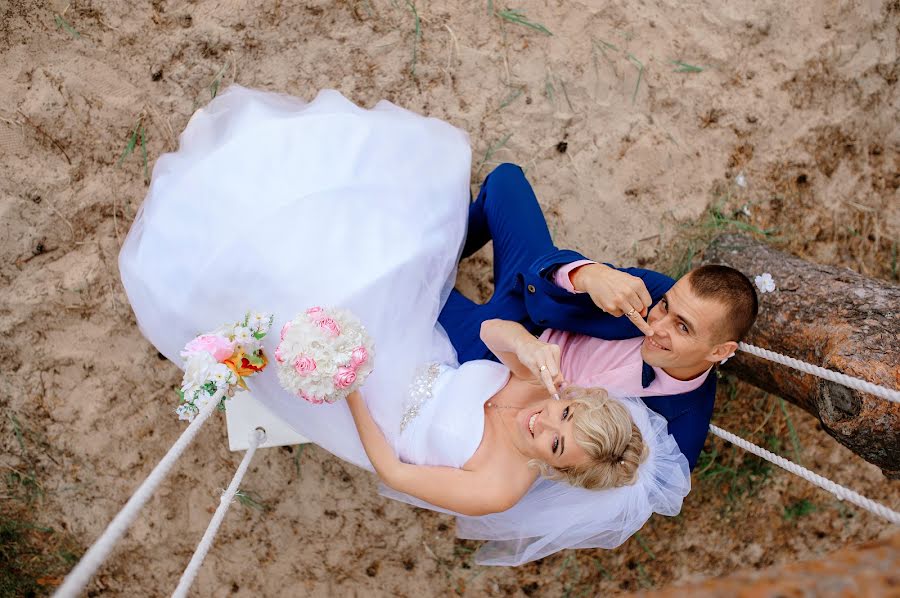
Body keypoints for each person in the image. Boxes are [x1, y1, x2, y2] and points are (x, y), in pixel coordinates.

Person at [118, 86, 689, 566]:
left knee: (290, 315)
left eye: (557, 443)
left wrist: (349, 380)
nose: (544, 422)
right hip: (420, 348)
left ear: (560, 471)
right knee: (347, 264)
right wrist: (524, 347)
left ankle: (203, 243)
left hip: (365, 410)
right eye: (565, 414)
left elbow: (392, 467)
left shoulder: (494, 488)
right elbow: (491, 342)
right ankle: (233, 174)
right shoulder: (546, 388)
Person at [438, 164, 759, 469]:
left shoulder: (679, 434)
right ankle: (453, 245)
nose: (656, 325)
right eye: (665, 306)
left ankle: (436, 259)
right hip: (534, 304)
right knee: (505, 181)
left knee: (416, 290)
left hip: (500, 367)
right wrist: (587, 274)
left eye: (682, 327)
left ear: (721, 351)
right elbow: (550, 272)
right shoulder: (652, 292)